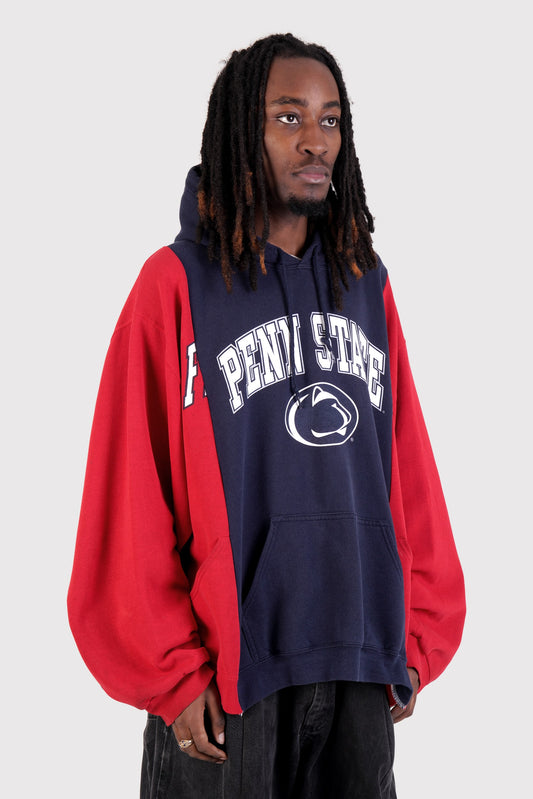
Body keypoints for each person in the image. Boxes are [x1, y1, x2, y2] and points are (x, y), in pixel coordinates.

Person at [68, 33, 466, 798]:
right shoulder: (174, 284)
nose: (315, 140)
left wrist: (412, 640)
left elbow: (407, 469)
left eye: (329, 118)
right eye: (288, 117)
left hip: (357, 667)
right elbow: (128, 491)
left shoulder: (365, 284)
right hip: (226, 683)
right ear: (239, 134)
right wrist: (172, 671)